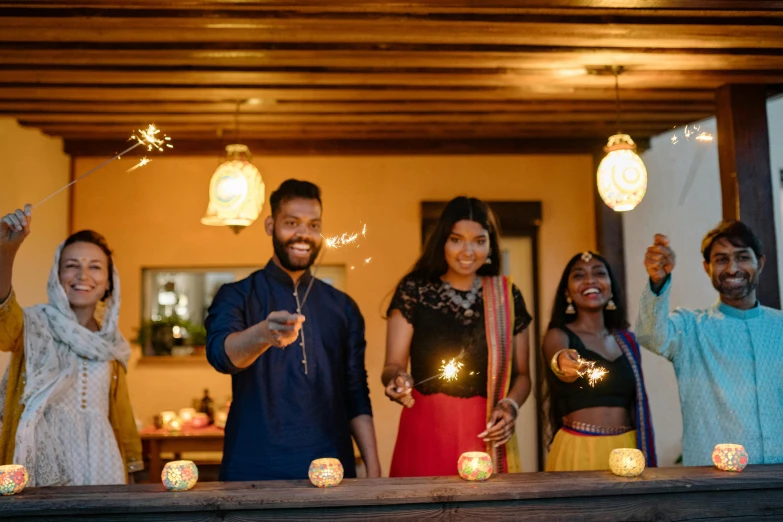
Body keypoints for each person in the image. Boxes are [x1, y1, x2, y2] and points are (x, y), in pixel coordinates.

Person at [206, 179, 380, 481]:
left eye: (314, 225)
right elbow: (221, 355)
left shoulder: (343, 307)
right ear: (270, 225)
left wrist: (375, 469)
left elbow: (356, 392)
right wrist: (263, 334)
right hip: (252, 468)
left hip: (331, 469)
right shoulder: (236, 294)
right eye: (291, 223)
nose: (303, 234)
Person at [382, 196, 532, 477]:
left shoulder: (506, 296)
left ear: (490, 245)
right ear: (443, 242)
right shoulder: (415, 290)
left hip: (485, 429)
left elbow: (523, 375)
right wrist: (396, 380)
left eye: (478, 240)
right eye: (457, 239)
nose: (468, 250)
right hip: (426, 426)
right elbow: (392, 364)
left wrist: (510, 406)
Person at [0, 205, 142, 486]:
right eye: (72, 266)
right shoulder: (32, 325)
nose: (83, 275)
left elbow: (121, 416)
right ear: (57, 275)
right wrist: (6, 253)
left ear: (108, 283)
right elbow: (2, 316)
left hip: (102, 461)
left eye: (95, 267)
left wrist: (134, 470)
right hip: (41, 459)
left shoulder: (113, 346)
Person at [637, 221, 783, 466]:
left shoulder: (779, 327)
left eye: (742, 257)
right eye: (721, 259)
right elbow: (651, 335)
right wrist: (658, 280)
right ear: (707, 267)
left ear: (761, 263)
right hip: (712, 485)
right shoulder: (690, 327)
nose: (733, 268)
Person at [542, 251, 656, 471]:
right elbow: (559, 360)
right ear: (567, 292)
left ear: (611, 286)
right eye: (578, 275)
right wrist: (564, 363)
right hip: (580, 447)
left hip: (628, 449)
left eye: (599, 273)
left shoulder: (627, 341)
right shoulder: (558, 335)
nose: (590, 280)